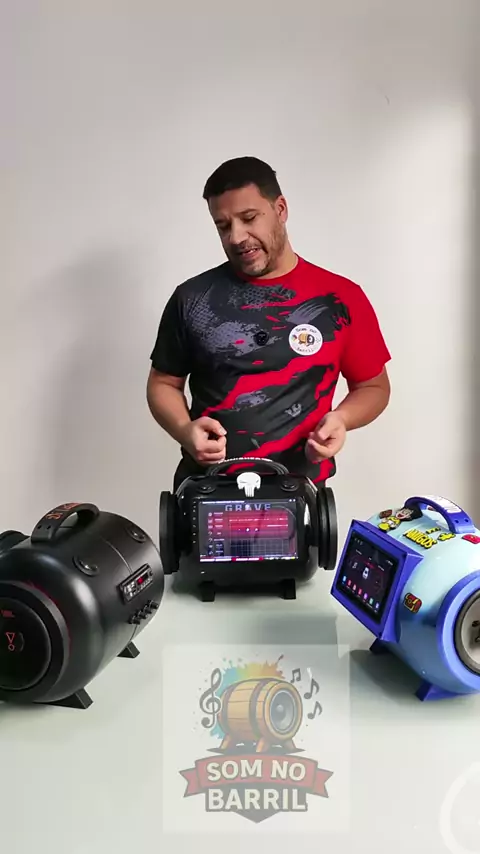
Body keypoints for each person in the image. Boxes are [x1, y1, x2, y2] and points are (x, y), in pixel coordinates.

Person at [147, 156, 391, 491]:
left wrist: (342, 419)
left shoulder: (340, 297)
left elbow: (374, 387)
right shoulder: (192, 298)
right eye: (223, 226)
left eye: (249, 218)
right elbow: (163, 383)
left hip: (299, 492)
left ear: (280, 209)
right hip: (207, 491)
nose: (236, 237)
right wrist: (184, 430)